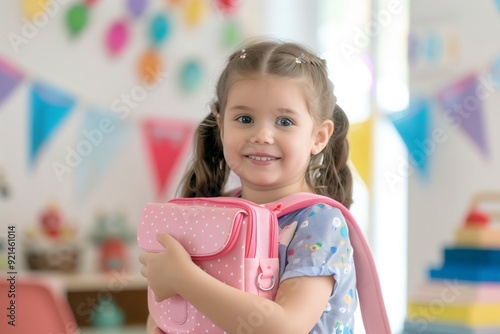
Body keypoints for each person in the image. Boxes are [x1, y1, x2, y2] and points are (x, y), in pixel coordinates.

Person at [139, 38, 357, 333]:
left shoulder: (319, 222)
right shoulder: (215, 213)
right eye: (245, 118)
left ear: (318, 136)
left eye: (284, 121)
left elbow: (285, 328)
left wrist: (184, 278)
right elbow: (170, 316)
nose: (262, 135)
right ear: (221, 124)